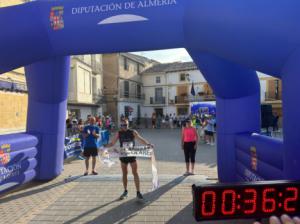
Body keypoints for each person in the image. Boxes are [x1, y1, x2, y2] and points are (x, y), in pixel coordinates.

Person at [105, 119, 153, 200]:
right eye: (122, 125)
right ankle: (125, 191)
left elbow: (140, 139)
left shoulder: (132, 132)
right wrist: (103, 146)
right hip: (123, 156)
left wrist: (148, 144)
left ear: (128, 125)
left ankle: (138, 192)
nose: (124, 127)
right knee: (124, 173)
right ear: (120, 125)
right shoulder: (119, 133)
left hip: (131, 155)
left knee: (135, 173)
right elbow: (112, 143)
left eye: (125, 125)